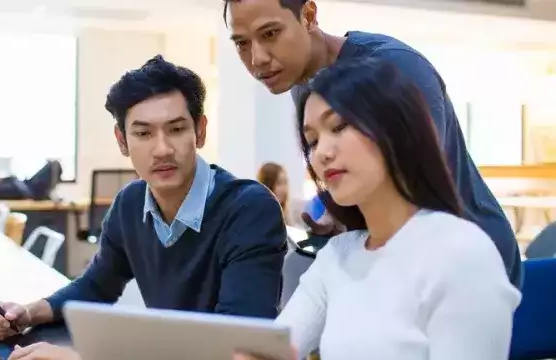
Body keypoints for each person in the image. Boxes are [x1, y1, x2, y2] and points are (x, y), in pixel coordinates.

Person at [0, 55, 288, 360]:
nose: (162, 149)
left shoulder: (249, 210)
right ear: (122, 140)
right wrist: (28, 313)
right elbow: (96, 285)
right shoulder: (130, 203)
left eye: (176, 129)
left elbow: (239, 347)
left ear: (200, 130)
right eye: (143, 133)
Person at [236, 57, 521, 360]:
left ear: (394, 129)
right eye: (312, 141)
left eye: (339, 126)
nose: (322, 153)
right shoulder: (337, 256)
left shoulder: (461, 252)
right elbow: (273, 350)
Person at [223, 0, 522, 288]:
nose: (257, 58)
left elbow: (417, 186)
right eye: (242, 43)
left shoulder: (396, 67)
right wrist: (341, 220)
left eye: (270, 34)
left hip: (468, 260)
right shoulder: (301, 84)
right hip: (394, 261)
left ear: (309, 16)